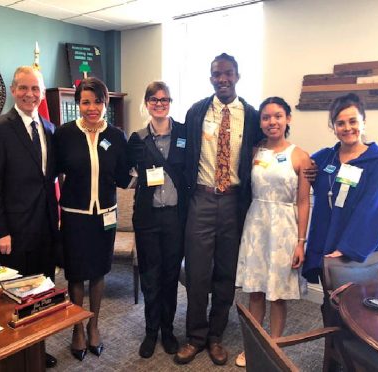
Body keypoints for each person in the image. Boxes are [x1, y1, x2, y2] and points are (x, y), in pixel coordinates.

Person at [175, 53, 263, 366]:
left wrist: (308, 169)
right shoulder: (197, 111)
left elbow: (274, 147)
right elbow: (182, 155)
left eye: (227, 74)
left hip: (234, 203)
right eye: (216, 74)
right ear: (210, 77)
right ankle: (195, 337)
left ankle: (215, 337)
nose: (222, 79)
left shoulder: (252, 115)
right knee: (197, 272)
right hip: (201, 198)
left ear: (238, 76)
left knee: (226, 273)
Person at [0, 65, 59, 368]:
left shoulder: (50, 130)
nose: (30, 94)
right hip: (14, 232)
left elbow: (49, 181)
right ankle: (16, 355)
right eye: (24, 88)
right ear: (13, 90)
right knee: (17, 298)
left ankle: (37, 349)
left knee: (43, 295)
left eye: (36, 88)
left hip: (47, 229)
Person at [54, 77, 131, 361]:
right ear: (78, 105)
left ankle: (94, 324)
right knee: (75, 274)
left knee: (99, 272)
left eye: (97, 101)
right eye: (85, 102)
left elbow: (124, 176)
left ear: (105, 103)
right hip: (75, 216)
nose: (92, 108)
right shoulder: (64, 135)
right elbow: (52, 172)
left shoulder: (116, 135)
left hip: (105, 216)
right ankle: (77, 328)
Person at [234, 97, 311, 367]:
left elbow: (303, 201)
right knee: (255, 290)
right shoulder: (255, 151)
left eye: (278, 116)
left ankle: (275, 344)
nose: (272, 122)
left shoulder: (300, 155)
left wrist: (301, 242)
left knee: (277, 293)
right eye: (266, 117)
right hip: (256, 225)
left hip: (285, 229)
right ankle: (254, 345)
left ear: (288, 118)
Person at [302, 93, 378, 284]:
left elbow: (370, 210)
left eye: (353, 121)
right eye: (340, 123)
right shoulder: (324, 158)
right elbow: (297, 170)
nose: (347, 128)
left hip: (360, 250)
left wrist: (347, 249)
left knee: (360, 307)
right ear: (333, 127)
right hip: (327, 244)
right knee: (331, 304)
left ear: (363, 122)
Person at [127, 81, 187, 359]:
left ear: (170, 102)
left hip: (175, 217)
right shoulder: (137, 139)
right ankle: (151, 332)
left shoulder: (184, 134)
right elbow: (125, 176)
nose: (160, 103)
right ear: (147, 103)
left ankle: (168, 330)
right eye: (154, 99)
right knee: (151, 277)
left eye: (164, 99)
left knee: (170, 276)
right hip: (148, 219)